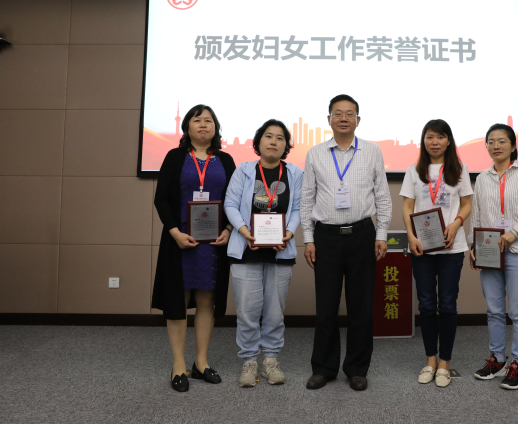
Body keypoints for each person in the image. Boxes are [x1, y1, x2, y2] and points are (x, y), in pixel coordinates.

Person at [301, 94, 392, 391]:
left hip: (362, 235)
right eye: (338, 113)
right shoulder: (315, 153)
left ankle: (356, 368)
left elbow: (382, 196)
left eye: (349, 113)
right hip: (326, 238)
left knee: (361, 307)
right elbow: (306, 199)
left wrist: (381, 234)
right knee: (326, 307)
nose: (343, 118)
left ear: (358, 120)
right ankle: (323, 368)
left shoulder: (372, 151)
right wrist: (308, 239)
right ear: (329, 119)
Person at [151, 104, 236, 392]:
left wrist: (228, 230)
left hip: (213, 243)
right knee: (178, 300)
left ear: (216, 128)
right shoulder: (175, 157)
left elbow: (234, 201)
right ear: (187, 126)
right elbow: (162, 198)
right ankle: (178, 364)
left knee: (206, 300)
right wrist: (175, 232)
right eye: (197, 119)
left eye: (208, 120)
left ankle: (201, 362)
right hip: (180, 240)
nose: (203, 124)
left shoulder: (225, 160)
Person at [223, 120, 303, 387]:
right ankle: (249, 361)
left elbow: (297, 208)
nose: (273, 141)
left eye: (280, 138)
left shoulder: (295, 173)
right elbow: (230, 203)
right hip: (246, 248)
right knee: (247, 310)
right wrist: (244, 231)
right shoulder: (244, 170)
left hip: (280, 249)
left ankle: (270, 360)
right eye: (268, 136)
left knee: (275, 311)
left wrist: (288, 232)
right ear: (258, 142)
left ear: (286, 146)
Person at [469, 123, 518, 390]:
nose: (496, 146)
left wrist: (514, 233)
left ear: (513, 146)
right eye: (491, 141)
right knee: (494, 310)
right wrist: (473, 246)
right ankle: (498, 360)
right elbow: (477, 215)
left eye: (502, 141)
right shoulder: (482, 178)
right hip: (490, 252)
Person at [400, 119, 472, 387]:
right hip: (422, 247)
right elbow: (408, 207)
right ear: (424, 140)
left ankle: (445, 364)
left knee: (448, 305)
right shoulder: (413, 171)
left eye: (440, 137)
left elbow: (467, 204)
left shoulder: (460, 169)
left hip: (452, 247)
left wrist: (456, 223)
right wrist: (410, 236)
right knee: (427, 305)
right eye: (430, 137)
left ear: (448, 141)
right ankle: (430, 360)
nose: (435, 142)